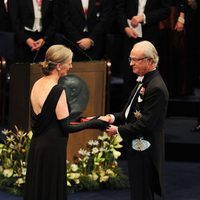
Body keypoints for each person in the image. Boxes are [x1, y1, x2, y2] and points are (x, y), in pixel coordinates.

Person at [24, 45, 109, 200]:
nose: (71, 66)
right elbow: (65, 126)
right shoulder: (58, 90)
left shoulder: (37, 83)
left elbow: (51, 118)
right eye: (69, 62)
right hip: (53, 149)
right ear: (58, 66)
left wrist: (88, 118)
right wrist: (95, 123)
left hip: (38, 145)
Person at [100, 41, 169, 200]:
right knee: (138, 191)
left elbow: (146, 124)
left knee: (143, 192)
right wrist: (110, 117)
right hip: (138, 147)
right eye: (130, 59)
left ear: (150, 61)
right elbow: (128, 112)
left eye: (135, 59)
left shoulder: (156, 87)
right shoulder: (143, 80)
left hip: (147, 150)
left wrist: (117, 130)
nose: (131, 63)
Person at [116, 0, 170, 104]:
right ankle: (127, 112)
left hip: (150, 34)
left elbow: (165, 10)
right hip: (129, 35)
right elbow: (119, 8)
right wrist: (125, 27)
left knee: (149, 73)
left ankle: (148, 108)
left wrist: (144, 17)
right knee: (129, 74)